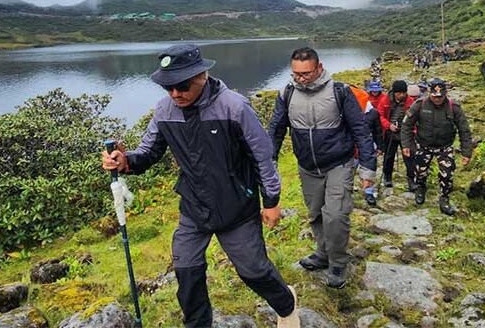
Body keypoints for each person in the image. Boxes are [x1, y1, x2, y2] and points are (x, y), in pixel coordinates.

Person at [101, 44, 299, 328]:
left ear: (202, 75)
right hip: (194, 207)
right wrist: (124, 161)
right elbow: (148, 152)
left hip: (236, 207)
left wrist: (271, 201)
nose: (174, 94)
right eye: (167, 87)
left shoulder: (233, 106)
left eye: (181, 86)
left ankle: (287, 305)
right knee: (187, 272)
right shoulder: (164, 110)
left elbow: (262, 155)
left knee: (254, 271)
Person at [268, 47, 376, 289]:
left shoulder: (340, 92)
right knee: (316, 213)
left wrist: (368, 168)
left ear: (319, 68)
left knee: (336, 214)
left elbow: (360, 129)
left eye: (306, 73)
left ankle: (338, 261)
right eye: (296, 73)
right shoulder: (286, 93)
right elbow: (276, 128)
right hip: (307, 166)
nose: (300, 78)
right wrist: (270, 160)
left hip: (339, 163)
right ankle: (323, 252)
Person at [401, 78, 473, 216]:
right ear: (429, 93)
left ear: (445, 93)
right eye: (434, 96)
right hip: (423, 145)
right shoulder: (419, 104)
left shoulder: (454, 107)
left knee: (447, 174)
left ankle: (444, 198)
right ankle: (421, 189)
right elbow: (406, 125)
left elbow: (464, 130)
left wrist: (466, 152)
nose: (437, 99)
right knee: (420, 172)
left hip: (444, 147)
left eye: (440, 96)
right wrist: (406, 144)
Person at [377, 80, 416, 192]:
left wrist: (412, 130)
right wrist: (389, 125)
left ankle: (411, 180)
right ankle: (387, 177)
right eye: (398, 93)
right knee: (389, 156)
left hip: (405, 133)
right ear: (394, 92)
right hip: (390, 132)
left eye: (403, 93)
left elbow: (413, 117)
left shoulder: (410, 101)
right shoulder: (385, 100)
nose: (401, 95)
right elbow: (380, 115)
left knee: (409, 156)